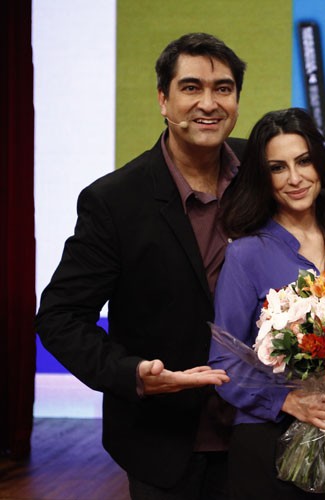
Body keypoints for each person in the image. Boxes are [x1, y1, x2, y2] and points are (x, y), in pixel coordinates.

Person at [35, 32, 247, 500]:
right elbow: (60, 318)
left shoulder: (265, 171)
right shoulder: (114, 200)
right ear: (163, 100)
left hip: (262, 436)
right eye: (191, 87)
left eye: (223, 89)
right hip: (166, 443)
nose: (208, 103)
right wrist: (132, 373)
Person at [208, 107, 325, 499]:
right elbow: (223, 359)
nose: (294, 178)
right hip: (268, 440)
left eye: (304, 161)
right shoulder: (246, 254)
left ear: (319, 166)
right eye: (278, 168)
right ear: (263, 179)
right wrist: (288, 400)